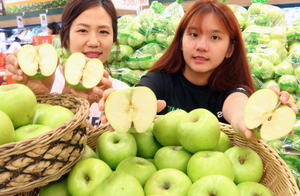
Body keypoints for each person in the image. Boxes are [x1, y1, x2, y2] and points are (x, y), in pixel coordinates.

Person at [99, 0, 298, 140]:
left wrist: (250, 122)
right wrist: (117, 104)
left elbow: (239, 110)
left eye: (214, 37)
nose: (201, 46)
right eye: (193, 34)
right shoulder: (160, 80)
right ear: (180, 41)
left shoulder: (232, 90)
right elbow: (142, 95)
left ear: (230, 49)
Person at [6, 0, 129, 128]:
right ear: (67, 38)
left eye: (103, 32)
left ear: (113, 39)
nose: (93, 42)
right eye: (82, 30)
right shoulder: (47, 82)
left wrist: (116, 125)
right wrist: (39, 98)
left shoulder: (122, 94)